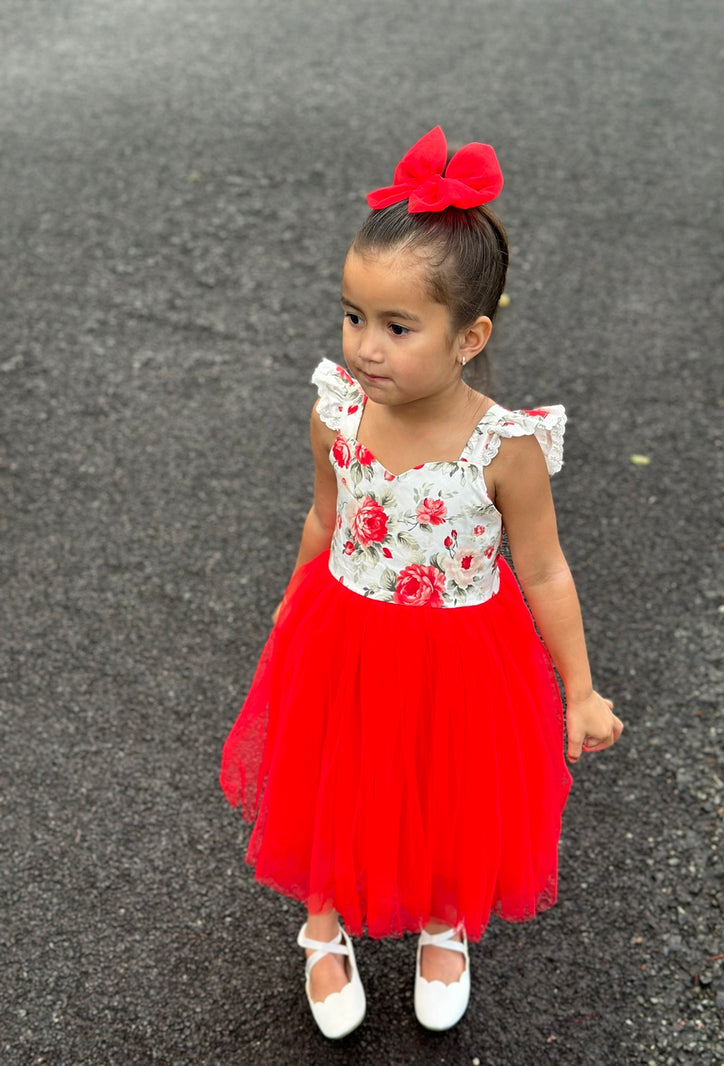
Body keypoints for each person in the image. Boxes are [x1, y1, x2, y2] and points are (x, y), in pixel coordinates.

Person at [220, 126, 623, 1040]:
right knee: (332, 777)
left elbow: (546, 568)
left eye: (398, 328)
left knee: (445, 786)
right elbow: (325, 519)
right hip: (344, 630)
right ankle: (321, 919)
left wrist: (581, 690)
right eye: (353, 316)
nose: (366, 346)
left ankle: (446, 916)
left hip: (461, 651)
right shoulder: (338, 413)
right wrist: (291, 603)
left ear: (470, 336)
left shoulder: (505, 448)